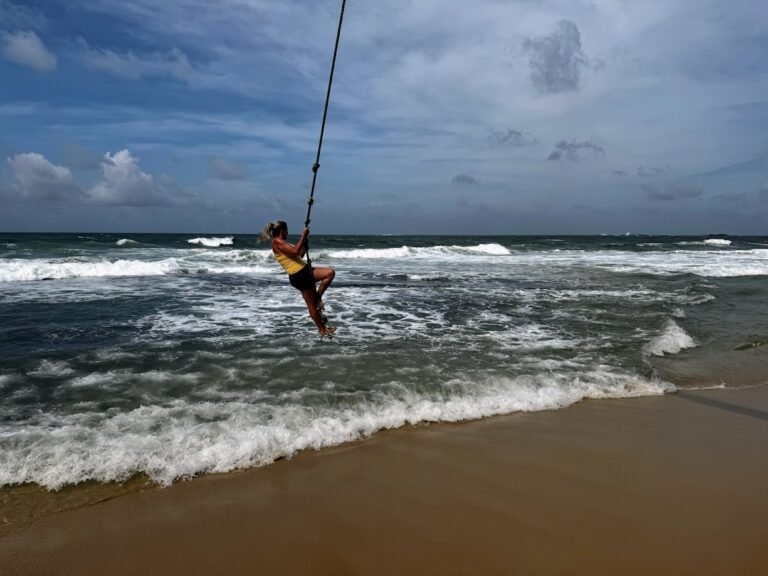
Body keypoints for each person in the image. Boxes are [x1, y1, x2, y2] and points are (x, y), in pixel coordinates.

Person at [262, 220, 336, 336]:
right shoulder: (277, 242)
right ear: (282, 230)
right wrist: (303, 235)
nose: (288, 232)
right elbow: (295, 251)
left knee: (329, 273)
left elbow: (298, 255)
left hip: (304, 272)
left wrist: (305, 245)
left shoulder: (283, 242)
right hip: (299, 275)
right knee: (311, 305)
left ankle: (318, 296)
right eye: (287, 230)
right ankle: (322, 329)